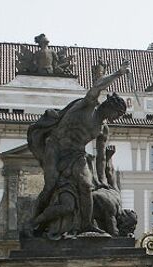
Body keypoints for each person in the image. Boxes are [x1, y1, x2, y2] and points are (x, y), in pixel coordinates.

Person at [28, 59, 130, 238]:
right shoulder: (88, 104)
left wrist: (103, 181)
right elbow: (98, 85)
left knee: (86, 185)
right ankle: (33, 222)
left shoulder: (102, 128)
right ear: (110, 106)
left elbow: (101, 157)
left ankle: (86, 225)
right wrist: (118, 73)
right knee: (50, 185)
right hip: (56, 148)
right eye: (117, 114)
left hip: (77, 154)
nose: (116, 118)